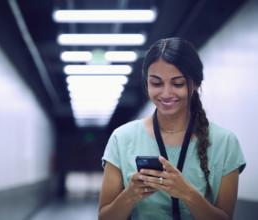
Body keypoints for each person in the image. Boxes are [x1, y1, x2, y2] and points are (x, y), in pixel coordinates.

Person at [98, 37, 246, 220]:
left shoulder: (225, 142)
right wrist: (129, 195)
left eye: (178, 84)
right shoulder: (121, 138)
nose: (166, 94)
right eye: (156, 83)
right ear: (146, 83)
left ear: (196, 84)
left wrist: (187, 194)